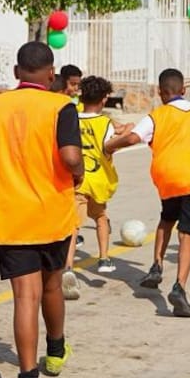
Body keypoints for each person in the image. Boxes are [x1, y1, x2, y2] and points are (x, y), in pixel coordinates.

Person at [0, 41, 82, 378]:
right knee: (53, 284)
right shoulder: (61, 106)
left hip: (11, 217)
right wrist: (78, 174)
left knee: (24, 299)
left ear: (16, 72)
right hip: (53, 214)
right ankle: (57, 351)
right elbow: (69, 156)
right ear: (52, 75)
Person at [105, 68, 190, 317]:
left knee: (167, 218)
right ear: (184, 90)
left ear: (160, 91)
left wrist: (111, 146)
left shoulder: (156, 115)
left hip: (168, 178)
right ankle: (180, 286)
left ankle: (156, 265)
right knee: (188, 233)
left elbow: (134, 138)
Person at [61, 76, 124, 299]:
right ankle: (104, 258)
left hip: (78, 179)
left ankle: (67, 267)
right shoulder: (104, 123)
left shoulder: (72, 119)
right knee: (100, 217)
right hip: (99, 180)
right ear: (104, 98)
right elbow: (110, 147)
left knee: (73, 226)